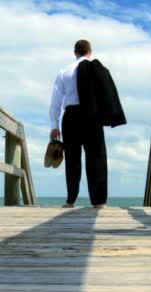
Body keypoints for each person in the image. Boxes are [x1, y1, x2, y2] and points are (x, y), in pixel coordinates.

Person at [49, 39, 125, 209]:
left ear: (75, 52)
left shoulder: (64, 72)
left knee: (72, 159)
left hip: (71, 117)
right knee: (97, 157)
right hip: (92, 116)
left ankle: (70, 201)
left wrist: (54, 126)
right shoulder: (97, 70)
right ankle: (99, 202)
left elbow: (55, 102)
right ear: (90, 52)